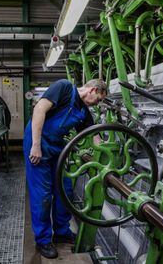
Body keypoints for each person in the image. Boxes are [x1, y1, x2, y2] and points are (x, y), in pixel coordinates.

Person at [23, 79, 107, 259]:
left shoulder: (84, 111)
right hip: (37, 141)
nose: (97, 104)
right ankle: (43, 240)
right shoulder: (64, 88)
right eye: (98, 99)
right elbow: (39, 109)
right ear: (92, 89)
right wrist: (36, 145)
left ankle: (61, 231)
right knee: (43, 194)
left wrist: (106, 161)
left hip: (56, 146)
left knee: (64, 189)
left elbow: (95, 136)